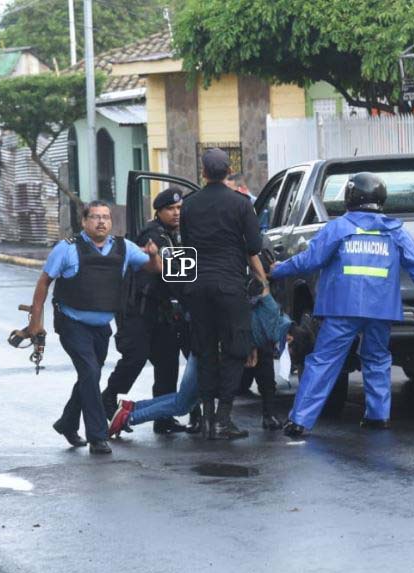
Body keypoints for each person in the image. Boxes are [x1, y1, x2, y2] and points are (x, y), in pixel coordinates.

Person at [270, 172, 414, 436]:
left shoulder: (339, 228)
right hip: (381, 309)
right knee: (377, 358)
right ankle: (377, 416)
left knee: (324, 361)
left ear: (350, 196)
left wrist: (277, 270)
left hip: (341, 308)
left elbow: (310, 261)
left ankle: (300, 420)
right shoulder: (394, 231)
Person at [23, 201, 162, 455]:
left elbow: (154, 268)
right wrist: (36, 321)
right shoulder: (67, 249)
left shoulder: (124, 247)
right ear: (84, 221)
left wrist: (153, 254)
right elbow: (44, 281)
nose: (101, 222)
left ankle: (67, 422)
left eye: (106, 217)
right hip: (72, 323)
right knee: (89, 371)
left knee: (90, 375)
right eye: (95, 217)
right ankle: (98, 436)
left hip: (102, 327)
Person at [180, 148, 269, 440]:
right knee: (235, 350)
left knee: (205, 350)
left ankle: (206, 418)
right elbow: (254, 246)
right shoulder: (241, 204)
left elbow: (186, 245)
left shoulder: (189, 204)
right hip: (230, 287)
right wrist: (262, 280)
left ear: (203, 173)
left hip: (197, 287)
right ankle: (223, 418)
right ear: (229, 171)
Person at [109, 312, 314, 437]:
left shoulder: (274, 319)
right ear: (289, 339)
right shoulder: (273, 325)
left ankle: (132, 407)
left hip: (203, 345)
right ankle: (129, 418)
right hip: (206, 351)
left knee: (186, 400)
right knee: (182, 404)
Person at [101, 187, 193, 435]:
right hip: (138, 310)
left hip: (161, 311)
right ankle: (108, 399)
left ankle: (163, 419)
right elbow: (169, 270)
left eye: (179, 209)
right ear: (159, 211)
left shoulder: (177, 234)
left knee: (167, 363)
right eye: (170, 209)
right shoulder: (153, 234)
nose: (176, 213)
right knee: (135, 358)